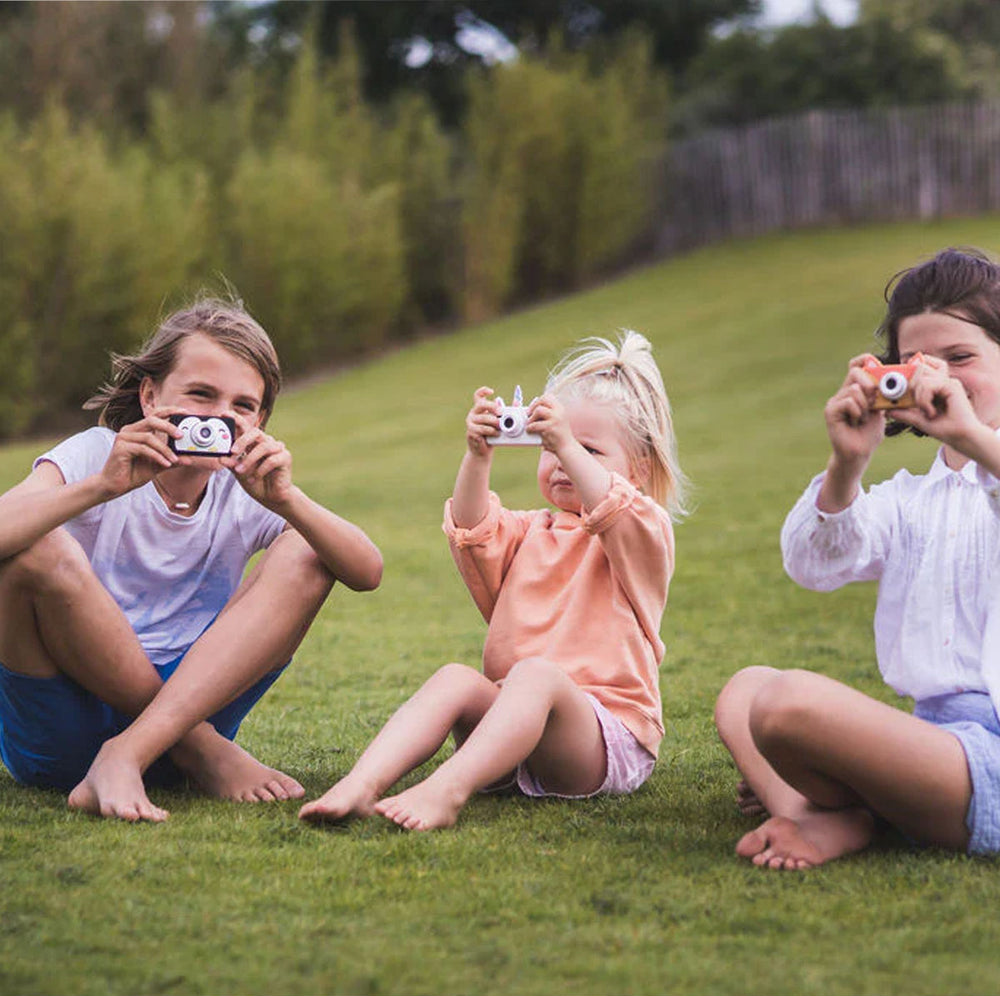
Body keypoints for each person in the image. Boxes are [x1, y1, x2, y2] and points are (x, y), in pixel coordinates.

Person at [0, 297, 383, 822]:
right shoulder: (97, 453)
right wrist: (99, 488)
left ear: (260, 420)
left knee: (308, 551)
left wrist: (287, 501)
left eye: (241, 405)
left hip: (189, 710)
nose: (219, 416)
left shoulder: (248, 489)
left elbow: (367, 571)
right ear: (151, 396)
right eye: (201, 394)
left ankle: (130, 753)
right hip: (66, 733)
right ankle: (199, 749)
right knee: (35, 547)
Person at [300, 330, 687, 831]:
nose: (564, 462)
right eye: (550, 449)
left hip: (602, 741)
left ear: (637, 471)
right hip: (510, 734)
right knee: (456, 679)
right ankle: (361, 784)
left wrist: (566, 443)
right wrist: (478, 455)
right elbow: (471, 530)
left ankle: (446, 791)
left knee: (537, 674)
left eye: (589, 451)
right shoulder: (533, 530)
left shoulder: (642, 533)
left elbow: (613, 511)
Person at [715, 246, 1000, 869]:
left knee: (788, 703)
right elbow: (812, 565)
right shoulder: (908, 501)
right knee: (748, 692)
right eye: (922, 363)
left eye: (962, 358)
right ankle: (825, 816)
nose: (944, 377)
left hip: (992, 765)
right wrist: (847, 461)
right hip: (930, 743)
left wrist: (973, 438)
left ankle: (838, 817)